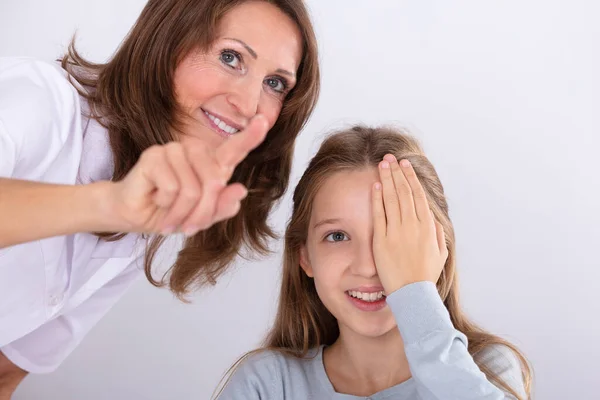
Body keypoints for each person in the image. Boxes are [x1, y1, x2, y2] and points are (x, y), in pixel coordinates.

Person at [0, 0, 319, 396]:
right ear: (168, 41)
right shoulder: (38, 100)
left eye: (274, 83)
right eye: (230, 57)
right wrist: (108, 204)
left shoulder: (145, 214)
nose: (250, 104)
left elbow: (6, 371)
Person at [216, 126, 533, 400]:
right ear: (304, 256)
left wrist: (415, 294)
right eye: (338, 236)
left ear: (437, 249)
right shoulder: (268, 385)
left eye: (392, 234)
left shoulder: (486, 370)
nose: (368, 266)